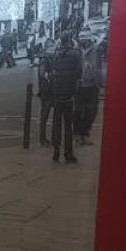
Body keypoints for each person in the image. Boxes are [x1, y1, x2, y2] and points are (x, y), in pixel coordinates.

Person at [49, 30, 83, 163]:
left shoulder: (56, 54)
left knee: (57, 123)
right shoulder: (75, 54)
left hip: (57, 92)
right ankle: (68, 153)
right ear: (69, 40)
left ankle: (56, 151)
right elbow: (79, 72)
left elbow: (54, 70)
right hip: (69, 93)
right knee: (68, 125)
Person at [76, 43, 102, 145]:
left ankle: (84, 133)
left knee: (90, 111)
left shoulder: (95, 50)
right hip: (81, 85)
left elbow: (97, 68)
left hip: (91, 85)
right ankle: (80, 134)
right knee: (81, 111)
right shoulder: (77, 50)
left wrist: (99, 83)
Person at [37, 57, 54, 146]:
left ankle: (52, 138)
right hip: (47, 91)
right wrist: (52, 75)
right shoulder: (45, 59)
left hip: (52, 90)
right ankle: (43, 139)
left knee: (53, 116)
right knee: (44, 116)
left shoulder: (50, 57)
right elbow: (42, 74)